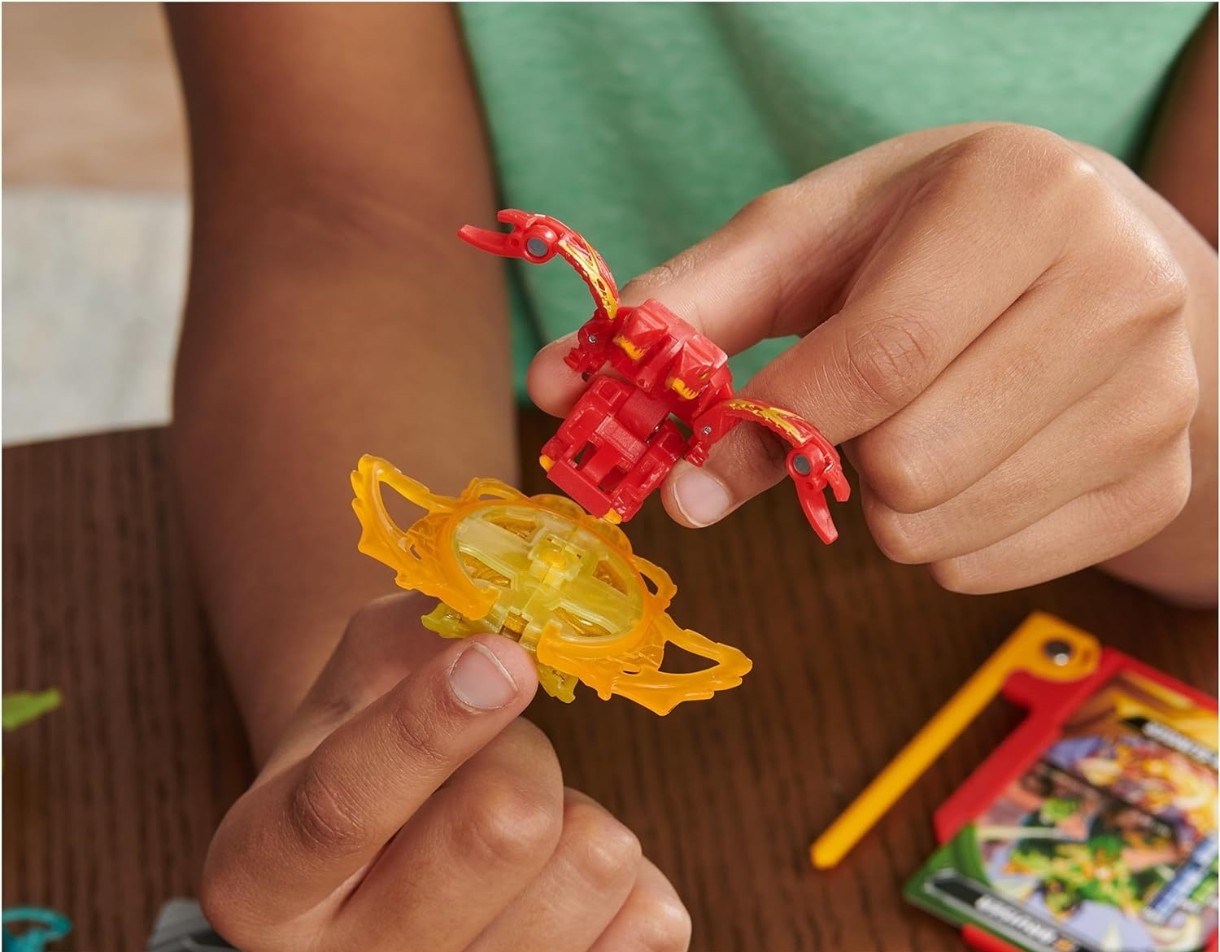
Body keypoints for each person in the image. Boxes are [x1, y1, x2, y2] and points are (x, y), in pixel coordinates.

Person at [166, 5, 1216, 950]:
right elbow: (336, 217)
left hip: (1014, 551)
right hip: (442, 430)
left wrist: (1180, 340)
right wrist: (352, 734)